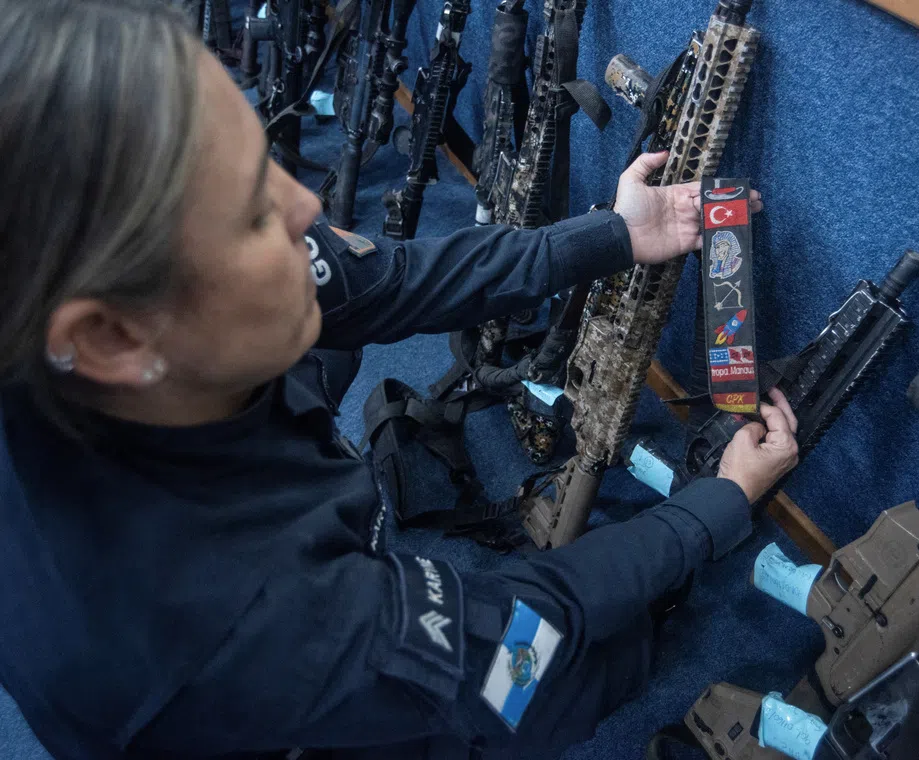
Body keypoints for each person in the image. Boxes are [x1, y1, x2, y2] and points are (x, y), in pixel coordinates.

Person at [0, 1, 799, 758]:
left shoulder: (90, 302)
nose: (304, 204)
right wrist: (713, 510)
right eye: (250, 214)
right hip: (275, 692)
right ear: (108, 334)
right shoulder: (243, 621)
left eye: (265, 156)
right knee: (569, 669)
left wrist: (611, 236)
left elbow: (395, 280)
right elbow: (524, 626)